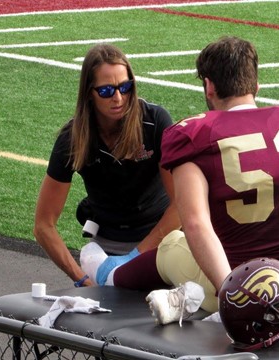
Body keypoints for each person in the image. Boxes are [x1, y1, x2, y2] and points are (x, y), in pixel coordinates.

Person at [81, 36, 279, 321]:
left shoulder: (195, 134)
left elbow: (196, 224)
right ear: (256, 85)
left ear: (209, 86)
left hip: (240, 292)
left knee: (175, 242)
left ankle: (109, 274)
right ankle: (185, 295)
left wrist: (235, 300)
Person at [34, 43, 181, 288]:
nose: (118, 98)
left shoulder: (155, 122)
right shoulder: (72, 139)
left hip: (160, 239)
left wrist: (136, 256)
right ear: (89, 93)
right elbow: (43, 225)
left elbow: (181, 205)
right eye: (106, 91)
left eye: (125, 87)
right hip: (106, 245)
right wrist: (81, 278)